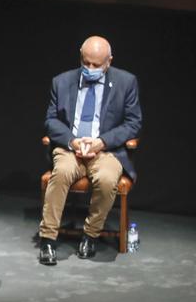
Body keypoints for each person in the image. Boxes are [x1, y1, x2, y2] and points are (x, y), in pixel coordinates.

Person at [38, 36, 142, 265]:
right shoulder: (62, 81)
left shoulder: (126, 82)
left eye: (96, 65)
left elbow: (133, 123)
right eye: (86, 63)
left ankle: (90, 234)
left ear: (109, 61)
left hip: (106, 150)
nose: (90, 68)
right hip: (70, 149)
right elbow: (51, 121)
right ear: (80, 57)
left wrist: (102, 142)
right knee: (62, 173)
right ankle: (48, 238)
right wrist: (72, 141)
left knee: (106, 179)